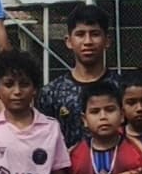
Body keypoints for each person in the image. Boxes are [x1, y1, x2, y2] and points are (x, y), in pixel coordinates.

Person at [39, 8, 121, 142]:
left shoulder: (122, 87)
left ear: (107, 40)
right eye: (80, 34)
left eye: (95, 34)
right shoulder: (52, 93)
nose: (87, 41)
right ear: (68, 41)